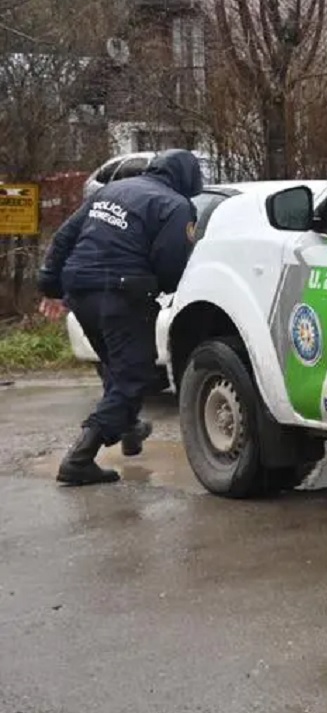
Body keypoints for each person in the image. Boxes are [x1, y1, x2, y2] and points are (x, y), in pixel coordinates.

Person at [37, 149, 205, 486]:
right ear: (187, 179)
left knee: (117, 366)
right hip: (121, 293)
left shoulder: (111, 190)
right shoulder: (175, 205)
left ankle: (129, 429)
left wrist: (50, 285)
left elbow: (65, 237)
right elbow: (172, 263)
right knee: (134, 375)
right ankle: (80, 457)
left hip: (80, 289)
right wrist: (165, 289)